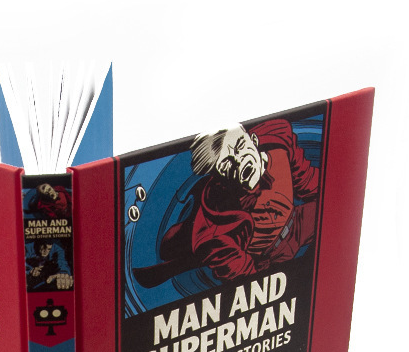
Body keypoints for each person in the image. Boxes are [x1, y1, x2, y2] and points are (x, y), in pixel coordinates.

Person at [134, 118, 319, 287]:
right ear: (220, 176)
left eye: (240, 146)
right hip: (271, 256)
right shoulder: (216, 229)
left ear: (253, 140)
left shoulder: (278, 138)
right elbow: (247, 278)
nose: (239, 161)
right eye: (226, 164)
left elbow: (309, 181)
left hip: (297, 222)